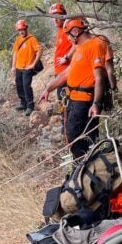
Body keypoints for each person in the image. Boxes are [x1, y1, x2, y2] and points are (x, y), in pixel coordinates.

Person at [40, 18, 107, 158]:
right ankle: (85, 167)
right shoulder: (80, 48)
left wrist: (96, 104)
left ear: (76, 31)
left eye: (69, 35)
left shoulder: (94, 46)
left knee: (77, 137)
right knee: (75, 137)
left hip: (84, 102)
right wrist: (48, 88)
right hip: (74, 100)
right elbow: (66, 73)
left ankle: (85, 167)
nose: (69, 39)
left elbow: (99, 77)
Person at [11, 19, 43, 116]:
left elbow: (39, 51)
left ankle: (30, 106)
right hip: (18, 67)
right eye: (19, 30)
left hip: (27, 68)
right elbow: (15, 53)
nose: (21, 31)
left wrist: (33, 64)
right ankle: (23, 103)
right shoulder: (18, 40)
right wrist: (13, 66)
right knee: (19, 86)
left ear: (26, 28)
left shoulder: (32, 39)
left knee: (26, 86)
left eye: (23, 29)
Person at [49, 3, 73, 102]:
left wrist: (66, 57)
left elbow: (77, 46)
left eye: (57, 16)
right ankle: (64, 117)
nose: (55, 19)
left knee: (65, 99)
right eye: (53, 16)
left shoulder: (68, 28)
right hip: (59, 71)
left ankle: (65, 117)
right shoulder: (60, 30)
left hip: (66, 71)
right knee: (61, 98)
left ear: (63, 15)